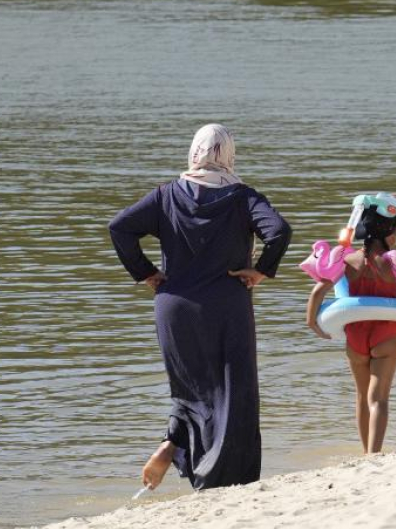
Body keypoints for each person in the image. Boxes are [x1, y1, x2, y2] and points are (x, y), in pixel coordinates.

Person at [108, 124, 292, 491]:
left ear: (194, 153)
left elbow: (120, 228)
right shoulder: (242, 198)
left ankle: (173, 443)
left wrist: (146, 273)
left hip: (174, 307)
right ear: (228, 155)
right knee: (232, 391)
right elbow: (279, 231)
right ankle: (219, 479)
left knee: (189, 387)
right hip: (227, 306)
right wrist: (261, 270)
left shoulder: (165, 196)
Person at [304, 193, 396, 454]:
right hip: (386, 334)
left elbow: (318, 293)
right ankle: (375, 454)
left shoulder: (346, 259)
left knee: (362, 397)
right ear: (388, 231)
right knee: (380, 398)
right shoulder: (394, 261)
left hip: (356, 336)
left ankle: (365, 452)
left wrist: (313, 323)